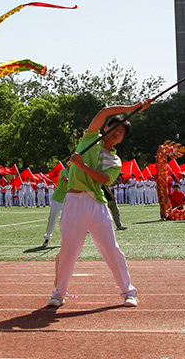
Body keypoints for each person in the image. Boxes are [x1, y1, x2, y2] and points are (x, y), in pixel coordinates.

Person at [48, 101, 149, 308]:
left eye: (121, 133)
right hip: (74, 201)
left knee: (111, 249)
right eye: (114, 128)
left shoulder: (115, 161)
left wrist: (82, 165)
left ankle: (129, 292)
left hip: (96, 204)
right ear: (106, 128)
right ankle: (58, 294)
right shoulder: (90, 138)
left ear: (122, 139)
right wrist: (134, 107)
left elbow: (104, 179)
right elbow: (104, 111)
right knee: (68, 251)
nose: (117, 133)